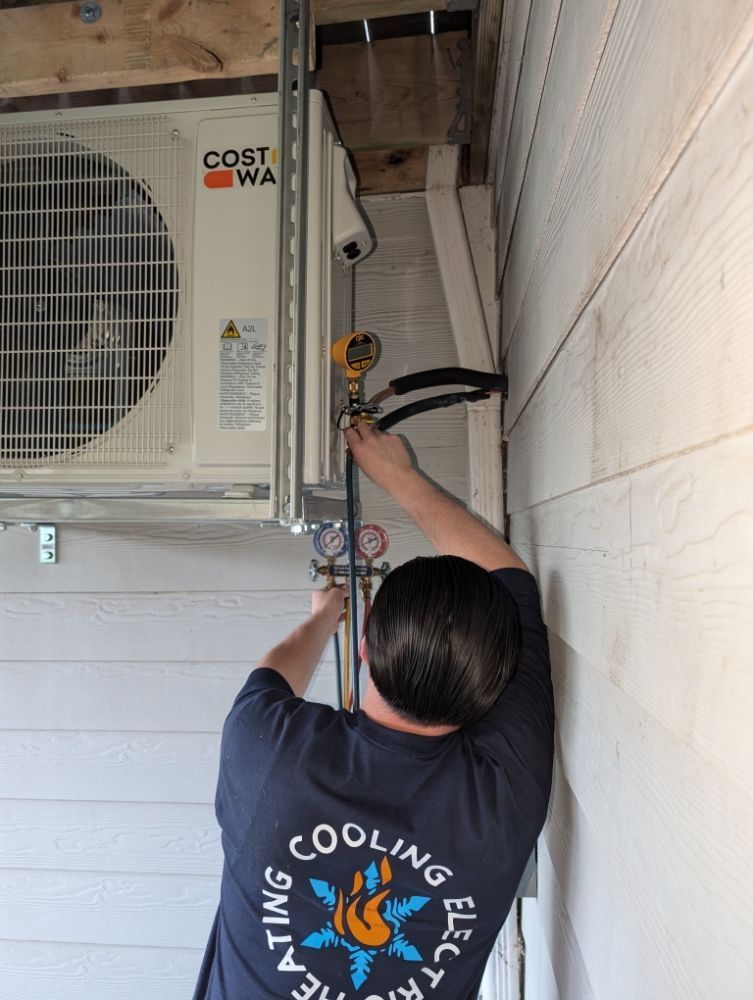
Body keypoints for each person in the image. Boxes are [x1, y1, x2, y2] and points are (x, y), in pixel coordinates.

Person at [193, 423, 554, 1000]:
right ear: (496, 684)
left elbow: (274, 671)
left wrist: (322, 618)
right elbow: (510, 581)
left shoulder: (267, 747)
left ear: (363, 647)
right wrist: (402, 480)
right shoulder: (507, 789)